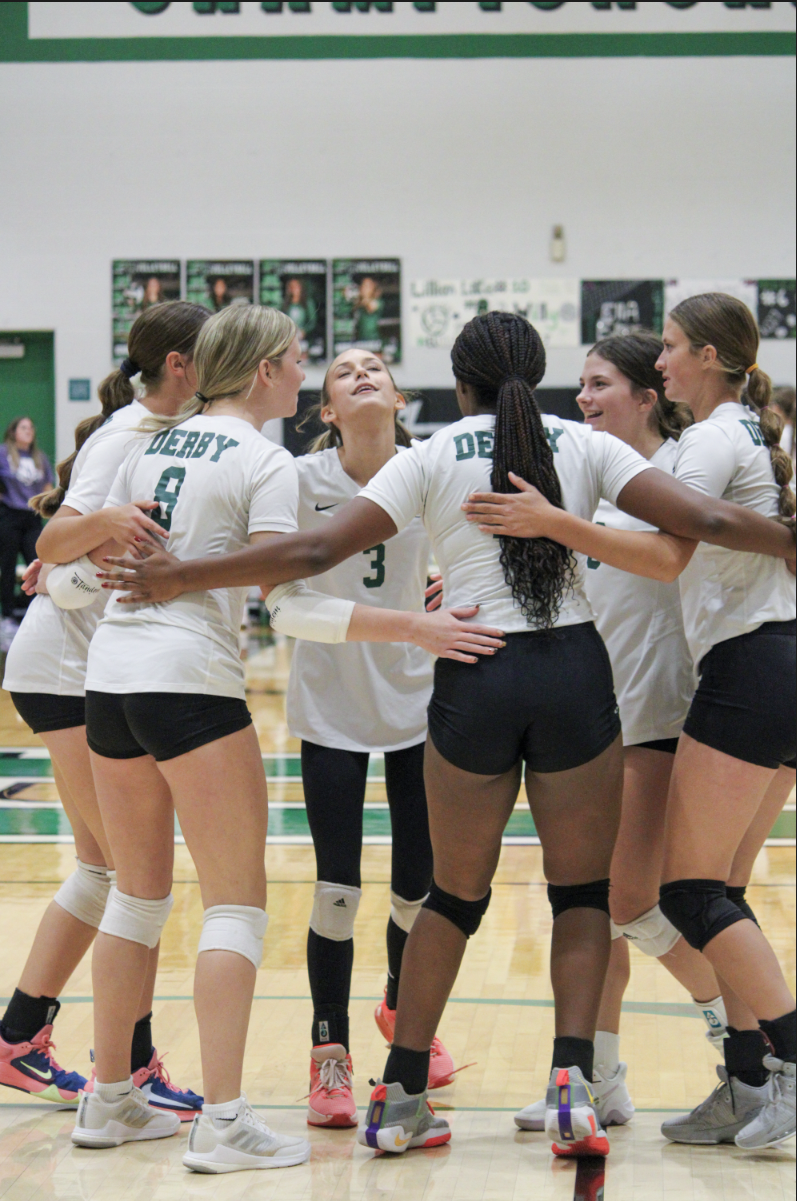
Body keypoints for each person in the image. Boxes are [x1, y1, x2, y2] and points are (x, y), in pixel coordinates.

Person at [96, 310, 793, 1160]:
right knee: (580, 897)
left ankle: (398, 1095)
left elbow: (312, 550)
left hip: (475, 669)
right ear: (534, 376)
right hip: (573, 671)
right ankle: (573, 1084)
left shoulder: (425, 456)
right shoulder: (582, 444)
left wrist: (185, 573)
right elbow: (690, 535)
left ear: (453, 384)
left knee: (451, 900)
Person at [74, 305, 503, 1172]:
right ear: (269, 372)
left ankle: (108, 1097)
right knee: (235, 903)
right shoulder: (271, 461)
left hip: (110, 676)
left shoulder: (140, 439)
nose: (314, 370)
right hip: (192, 679)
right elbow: (291, 597)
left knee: (135, 896)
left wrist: (112, 579)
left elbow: (67, 560)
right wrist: (410, 626)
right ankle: (226, 1118)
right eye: (305, 360)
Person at [461, 296, 796, 1151]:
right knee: (622, 900)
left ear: (654, 389)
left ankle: (746, 1044)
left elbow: (688, 540)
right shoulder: (625, 475)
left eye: (599, 383)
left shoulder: (688, 461)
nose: (582, 398)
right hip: (645, 704)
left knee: (650, 900)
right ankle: (638, 1072)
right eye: (577, 385)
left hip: (683, 706)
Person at [0, 302, 208, 1118]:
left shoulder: (178, 433)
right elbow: (62, 545)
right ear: (183, 362)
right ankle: (129, 1061)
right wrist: (73, 568)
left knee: (109, 870)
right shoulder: (128, 437)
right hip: (64, 666)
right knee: (131, 874)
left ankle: (21, 1035)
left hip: (86, 666)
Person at [289, 348, 455, 1129]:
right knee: (337, 885)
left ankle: (399, 1002)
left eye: (375, 368)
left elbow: (470, 554)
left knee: (415, 887)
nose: (361, 373)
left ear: (397, 397)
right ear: (326, 411)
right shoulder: (298, 480)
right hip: (328, 702)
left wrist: (454, 577)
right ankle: (330, 1052)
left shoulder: (433, 468)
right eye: (342, 371)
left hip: (417, 700)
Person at [0, 417, 53, 650]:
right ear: (13, 432)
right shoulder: (4, 453)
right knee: (8, 564)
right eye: (23, 427)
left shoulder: (39, 458)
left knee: (37, 562)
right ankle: (7, 617)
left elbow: (48, 487)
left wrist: (48, 511)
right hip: (9, 514)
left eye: (31, 427)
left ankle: (34, 611)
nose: (29, 431)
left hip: (31, 517)